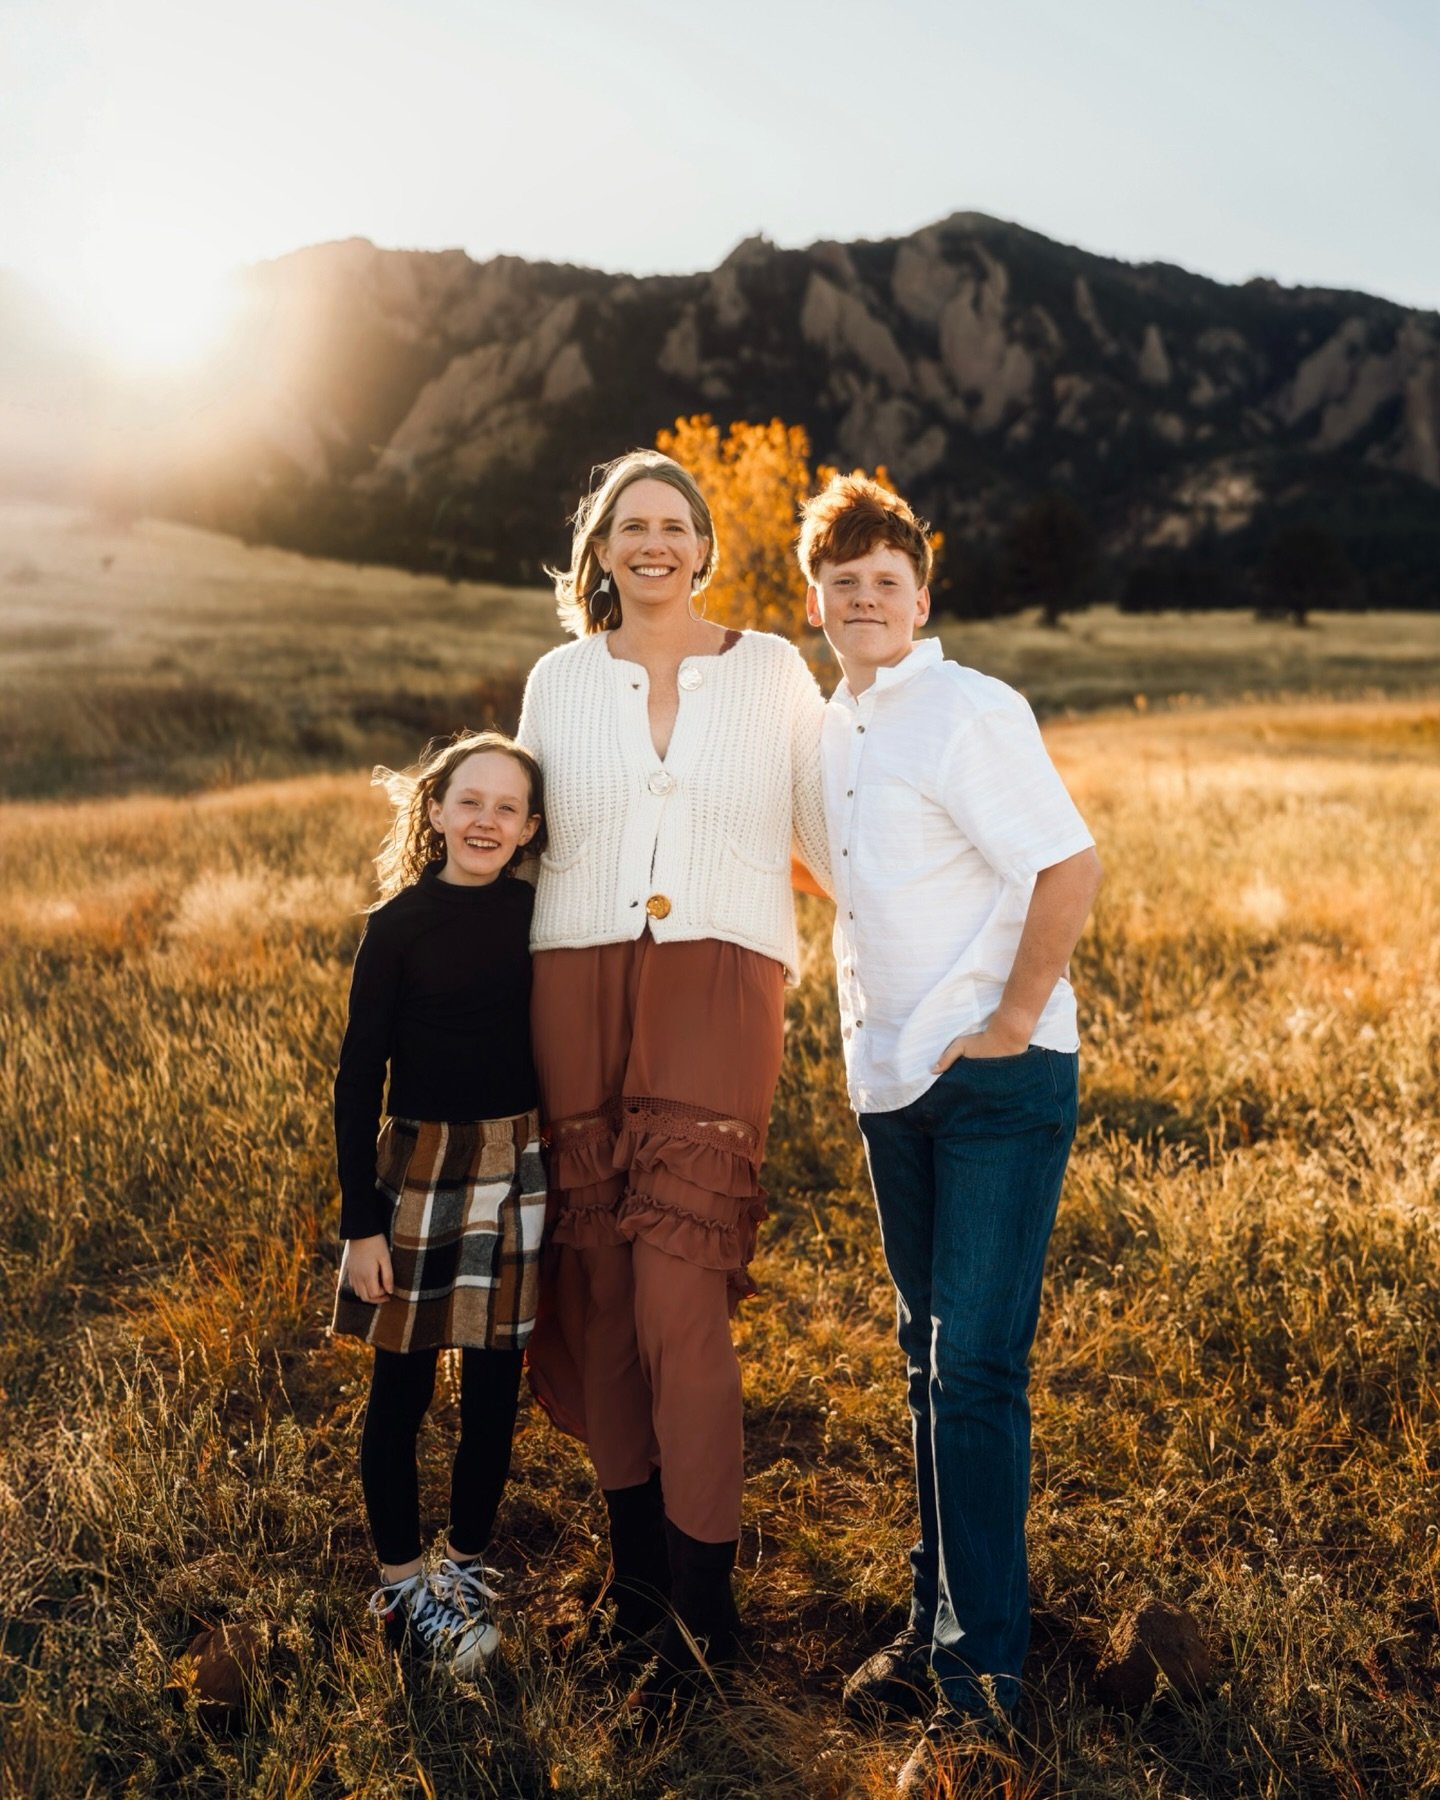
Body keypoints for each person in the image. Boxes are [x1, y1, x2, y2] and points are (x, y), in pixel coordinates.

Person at [800, 476, 1102, 1794]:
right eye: (839, 583)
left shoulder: (971, 708)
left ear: (920, 597)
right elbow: (832, 863)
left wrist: (1013, 1011)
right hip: (891, 1085)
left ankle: (985, 1688)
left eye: (884, 581)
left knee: (974, 1371)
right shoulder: (827, 729)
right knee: (925, 1365)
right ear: (813, 604)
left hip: (995, 1078)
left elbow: (1066, 863)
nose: (862, 600)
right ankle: (934, 1627)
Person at [517, 448, 830, 1703]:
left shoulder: (769, 671)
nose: (653, 543)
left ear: (706, 547)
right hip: (570, 980)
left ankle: (708, 1611)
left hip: (720, 980)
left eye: (675, 525)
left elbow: (829, 826)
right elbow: (522, 841)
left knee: (678, 1298)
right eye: (629, 526)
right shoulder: (557, 679)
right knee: (595, 1287)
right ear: (599, 551)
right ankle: (633, 1585)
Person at [331, 729, 547, 1676]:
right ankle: (402, 1583)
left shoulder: (541, 917)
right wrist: (359, 1226)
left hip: (518, 1158)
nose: (486, 821)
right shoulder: (397, 926)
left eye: (508, 808)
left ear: (531, 827)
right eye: (470, 801)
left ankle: (462, 1567)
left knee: (496, 1382)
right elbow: (354, 1080)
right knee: (404, 1387)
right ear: (433, 811)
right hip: (417, 1168)